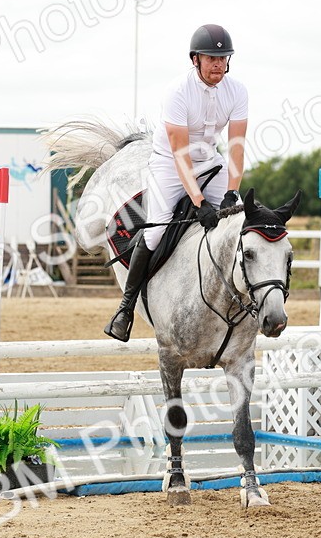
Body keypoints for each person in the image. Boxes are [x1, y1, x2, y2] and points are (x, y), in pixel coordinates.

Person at [104, 23, 248, 342]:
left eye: (223, 58)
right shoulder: (177, 92)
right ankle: (125, 308)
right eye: (212, 58)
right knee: (156, 231)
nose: (219, 65)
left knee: (238, 220)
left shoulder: (237, 91)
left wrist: (231, 191)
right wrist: (199, 203)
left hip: (209, 159)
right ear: (195, 59)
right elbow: (180, 154)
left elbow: (237, 147)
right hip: (170, 162)